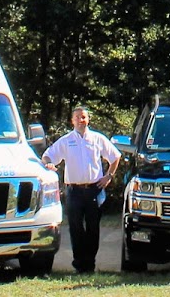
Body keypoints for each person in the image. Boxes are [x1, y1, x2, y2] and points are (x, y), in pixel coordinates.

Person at [41, 106, 122, 274]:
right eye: (77, 117)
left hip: (94, 190)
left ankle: (89, 263)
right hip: (74, 191)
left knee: (93, 228)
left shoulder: (97, 139)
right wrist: (48, 163)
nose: (81, 120)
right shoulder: (66, 140)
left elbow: (116, 156)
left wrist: (109, 176)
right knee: (75, 227)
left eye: (83, 117)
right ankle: (79, 264)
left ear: (88, 119)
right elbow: (48, 155)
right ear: (72, 120)